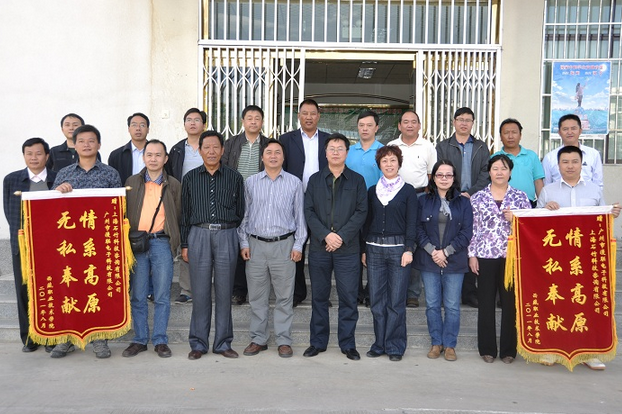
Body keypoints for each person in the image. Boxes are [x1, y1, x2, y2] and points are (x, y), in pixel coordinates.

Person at [537, 145, 620, 371]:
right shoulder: (548, 191)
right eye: (565, 162)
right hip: (557, 259)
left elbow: (602, 219)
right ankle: (552, 349)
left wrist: (611, 213)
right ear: (558, 165)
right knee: (557, 302)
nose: (570, 166)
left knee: (586, 303)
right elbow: (535, 224)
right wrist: (545, 209)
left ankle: (589, 352)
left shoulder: (594, 190)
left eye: (575, 161)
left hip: (585, 259)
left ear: (582, 164)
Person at [51, 125, 123, 359]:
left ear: (99, 144)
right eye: (81, 141)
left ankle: (98, 339)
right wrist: (58, 192)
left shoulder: (110, 174)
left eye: (91, 141)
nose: (86, 145)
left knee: (97, 289)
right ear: (74, 145)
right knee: (70, 289)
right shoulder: (64, 174)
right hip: (70, 245)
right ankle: (67, 338)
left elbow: (118, 209)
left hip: (98, 244)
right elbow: (51, 208)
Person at [237, 139, 307, 358]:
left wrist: (298, 244)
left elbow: (300, 217)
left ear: (283, 157)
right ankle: (258, 339)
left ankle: (284, 340)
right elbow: (245, 215)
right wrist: (244, 242)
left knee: (285, 297)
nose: (273, 156)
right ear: (262, 157)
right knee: (257, 296)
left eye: (278, 152)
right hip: (255, 245)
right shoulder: (251, 182)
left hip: (284, 246)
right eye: (269, 152)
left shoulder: (294, 183)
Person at [303, 133, 368, 361]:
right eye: (332, 148)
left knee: (348, 298)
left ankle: (348, 344)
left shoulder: (357, 180)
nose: (336, 152)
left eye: (340, 148)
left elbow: (361, 211)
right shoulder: (315, 180)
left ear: (347, 153)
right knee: (319, 298)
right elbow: (308, 211)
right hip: (320, 248)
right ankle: (317, 342)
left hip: (347, 249)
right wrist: (326, 235)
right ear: (325, 152)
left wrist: (340, 236)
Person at [181, 130, 244, 361]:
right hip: (199, 234)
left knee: (225, 292)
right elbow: (184, 214)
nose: (211, 151)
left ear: (223, 150)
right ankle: (198, 343)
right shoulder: (190, 178)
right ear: (199, 151)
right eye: (206, 147)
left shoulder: (234, 177)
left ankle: (223, 343)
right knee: (200, 292)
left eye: (216, 147)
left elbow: (241, 211)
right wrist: (185, 243)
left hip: (227, 234)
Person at [468, 154, 531, 364]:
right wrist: (472, 255)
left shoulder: (520, 197)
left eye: (504, 168)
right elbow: (472, 229)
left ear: (510, 172)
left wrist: (516, 219)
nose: (499, 172)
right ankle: (487, 349)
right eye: (495, 168)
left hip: (511, 256)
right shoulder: (478, 197)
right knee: (485, 303)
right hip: (485, 255)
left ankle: (508, 350)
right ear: (489, 172)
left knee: (510, 303)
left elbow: (530, 228)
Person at [122, 139, 181, 359]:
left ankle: (160, 340)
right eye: (149, 155)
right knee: (138, 295)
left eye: (158, 155)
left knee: (162, 295)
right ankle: (139, 339)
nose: (153, 159)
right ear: (143, 157)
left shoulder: (173, 184)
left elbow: (178, 213)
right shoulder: (131, 182)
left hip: (161, 242)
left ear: (165, 159)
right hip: (137, 244)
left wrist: (176, 240)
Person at [362, 145, 417, 361]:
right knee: (377, 300)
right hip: (374, 250)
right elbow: (367, 222)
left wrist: (409, 249)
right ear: (379, 165)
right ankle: (379, 344)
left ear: (399, 163)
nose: (389, 164)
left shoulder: (408, 191)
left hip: (399, 251)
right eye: (384, 161)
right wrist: (364, 249)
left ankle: (395, 346)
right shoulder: (372, 190)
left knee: (396, 301)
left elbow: (412, 223)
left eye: (393, 160)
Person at [414, 160, 473, 361]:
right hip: (429, 259)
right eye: (440, 175)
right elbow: (417, 229)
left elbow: (466, 233)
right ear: (433, 177)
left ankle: (450, 345)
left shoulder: (463, 202)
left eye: (448, 175)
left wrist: (445, 252)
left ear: (454, 178)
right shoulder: (423, 201)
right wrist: (433, 251)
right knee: (432, 304)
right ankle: (436, 343)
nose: (444, 179)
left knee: (452, 306)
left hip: (454, 260)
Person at [3, 138, 57, 352]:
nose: (34, 158)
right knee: (24, 290)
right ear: (24, 155)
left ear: (47, 156)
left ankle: (52, 337)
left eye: (38, 153)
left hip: (53, 247)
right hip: (23, 246)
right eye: (29, 153)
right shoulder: (12, 179)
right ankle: (29, 338)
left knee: (51, 290)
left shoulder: (57, 178)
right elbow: (10, 212)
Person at [436, 107, 490, 309]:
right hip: (450, 198)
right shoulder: (443, 146)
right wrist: (456, 192)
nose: (464, 123)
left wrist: (471, 192)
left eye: (468, 120)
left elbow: (486, 173)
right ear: (454, 122)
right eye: (460, 119)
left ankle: (469, 292)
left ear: (473, 123)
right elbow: (440, 171)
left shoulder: (481, 147)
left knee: (470, 243)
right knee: (449, 240)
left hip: (475, 199)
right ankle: (447, 292)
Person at [280, 98, 329, 307]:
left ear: (319, 116)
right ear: (298, 116)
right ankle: (297, 292)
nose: (309, 117)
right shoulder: (285, 139)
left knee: (321, 249)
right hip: (294, 199)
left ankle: (321, 295)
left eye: (313, 113)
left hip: (322, 200)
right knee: (295, 245)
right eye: (305, 113)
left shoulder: (328, 140)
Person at [387, 110, 437, 308]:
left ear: (419, 125)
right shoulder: (392, 146)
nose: (409, 125)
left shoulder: (427, 146)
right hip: (396, 196)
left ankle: (413, 293)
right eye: (405, 122)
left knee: (415, 241)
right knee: (397, 240)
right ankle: (395, 289)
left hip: (420, 196)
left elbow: (432, 174)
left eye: (413, 122)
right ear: (399, 125)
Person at [222, 105, 269, 306]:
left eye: (257, 118)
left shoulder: (268, 144)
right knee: (238, 245)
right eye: (249, 118)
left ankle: (259, 290)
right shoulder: (231, 143)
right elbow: (223, 170)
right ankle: (238, 290)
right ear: (243, 121)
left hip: (261, 200)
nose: (253, 121)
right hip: (236, 199)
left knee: (256, 245)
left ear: (262, 122)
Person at [165, 108, 208, 304]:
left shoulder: (211, 145)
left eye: (197, 120)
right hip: (184, 201)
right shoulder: (176, 149)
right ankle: (187, 289)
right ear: (184, 124)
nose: (192, 123)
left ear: (204, 125)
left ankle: (206, 287)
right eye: (189, 119)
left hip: (208, 201)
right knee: (186, 244)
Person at [346, 110, 384, 306]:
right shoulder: (349, 151)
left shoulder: (383, 151)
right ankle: (356, 292)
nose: (365, 129)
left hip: (375, 206)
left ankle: (371, 292)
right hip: (351, 209)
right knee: (354, 250)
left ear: (376, 128)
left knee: (372, 250)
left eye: (369, 125)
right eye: (361, 125)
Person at [492, 118, 544, 207]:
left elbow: (538, 182)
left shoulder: (531, 156)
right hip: (502, 203)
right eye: (506, 133)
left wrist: (543, 204)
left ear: (520, 135)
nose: (510, 136)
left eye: (514, 132)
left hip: (528, 203)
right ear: (500, 137)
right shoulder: (495, 158)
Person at [542, 114, 603, 189]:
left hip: (586, 196)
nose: (570, 132)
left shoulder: (593, 154)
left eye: (573, 128)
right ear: (559, 132)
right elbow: (547, 185)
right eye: (565, 129)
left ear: (580, 131)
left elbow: (598, 184)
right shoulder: (550, 158)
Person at [108, 112, 150, 184]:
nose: (138, 128)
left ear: (148, 129)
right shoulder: (116, 155)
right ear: (129, 129)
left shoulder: (158, 154)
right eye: (134, 125)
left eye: (142, 125)